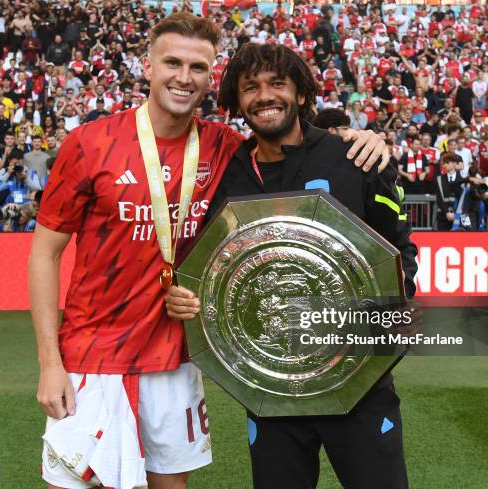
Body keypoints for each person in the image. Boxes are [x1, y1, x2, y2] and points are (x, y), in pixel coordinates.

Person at [30, 13, 389, 489]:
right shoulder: (90, 144)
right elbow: (44, 254)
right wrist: (49, 364)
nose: (184, 77)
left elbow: (290, 142)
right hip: (92, 353)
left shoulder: (225, 149)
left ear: (210, 75)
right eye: (172, 62)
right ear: (147, 66)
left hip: (175, 354)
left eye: (198, 67)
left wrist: (359, 137)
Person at [165, 42, 418, 489]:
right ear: (237, 102)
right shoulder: (227, 175)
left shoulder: (353, 157)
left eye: (277, 84)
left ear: (301, 93)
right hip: (270, 391)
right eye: (250, 88)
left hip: (357, 383)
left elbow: (398, 249)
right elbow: (206, 270)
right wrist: (185, 297)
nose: (264, 96)